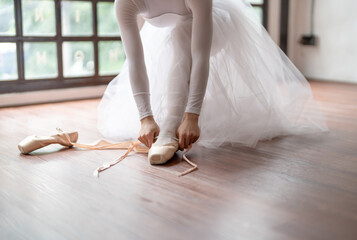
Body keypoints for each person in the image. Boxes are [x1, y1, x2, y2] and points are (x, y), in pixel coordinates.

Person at [97, 0, 328, 164]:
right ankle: (164, 125)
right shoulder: (124, 3)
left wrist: (192, 116)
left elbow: (200, 55)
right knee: (176, 39)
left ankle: (169, 130)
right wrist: (145, 117)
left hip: (218, 23)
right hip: (171, 28)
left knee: (181, 36)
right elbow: (135, 61)